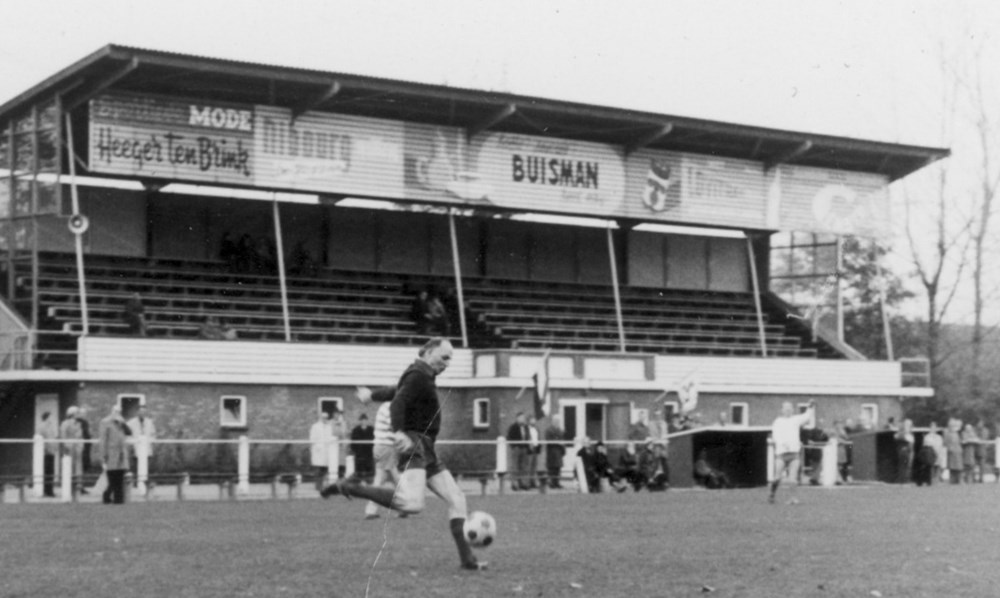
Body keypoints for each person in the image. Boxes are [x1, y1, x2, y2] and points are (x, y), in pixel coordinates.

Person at [321, 338, 485, 571]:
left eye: (450, 359)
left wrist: (372, 395)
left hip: (426, 447)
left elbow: (394, 392)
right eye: (444, 356)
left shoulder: (420, 374)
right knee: (412, 504)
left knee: (458, 499)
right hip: (415, 444)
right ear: (428, 352)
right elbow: (398, 402)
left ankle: (468, 561)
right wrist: (398, 431)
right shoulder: (419, 374)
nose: (447, 363)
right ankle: (350, 486)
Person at [362, 399, 405, 520]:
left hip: (382, 447)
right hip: (387, 447)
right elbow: (394, 425)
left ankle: (403, 507)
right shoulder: (391, 407)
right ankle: (404, 506)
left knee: (389, 478)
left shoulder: (385, 406)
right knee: (388, 478)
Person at [768, 400, 815, 505]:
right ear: (782, 410)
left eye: (790, 408)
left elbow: (807, 416)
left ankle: (792, 498)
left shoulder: (796, 419)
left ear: (793, 410)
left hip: (794, 454)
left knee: (792, 478)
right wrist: (783, 444)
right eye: (786, 408)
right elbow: (776, 435)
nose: (788, 410)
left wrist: (810, 406)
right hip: (781, 454)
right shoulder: (778, 421)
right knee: (777, 478)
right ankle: (772, 493)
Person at [99, 405, 132, 504]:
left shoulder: (122, 422)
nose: (118, 413)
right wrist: (103, 455)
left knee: (120, 477)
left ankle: (119, 499)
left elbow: (129, 432)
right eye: (116, 411)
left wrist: (123, 423)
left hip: (121, 454)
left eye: (119, 411)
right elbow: (103, 440)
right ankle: (106, 496)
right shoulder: (105, 422)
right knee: (112, 478)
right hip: (111, 453)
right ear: (112, 411)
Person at [126, 404, 156, 489]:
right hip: (136, 449)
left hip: (147, 449)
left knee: (147, 467)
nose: (142, 413)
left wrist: (151, 442)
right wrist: (132, 443)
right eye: (140, 411)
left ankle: (145, 485)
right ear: (137, 412)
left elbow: (153, 434)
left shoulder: (149, 422)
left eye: (144, 412)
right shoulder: (131, 423)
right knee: (136, 467)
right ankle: (137, 484)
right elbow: (127, 435)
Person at [59, 406, 85, 493]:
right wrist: (67, 446)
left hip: (77, 449)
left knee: (78, 467)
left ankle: (78, 486)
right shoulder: (65, 424)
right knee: (69, 467)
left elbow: (80, 436)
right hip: (69, 449)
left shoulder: (78, 424)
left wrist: (80, 446)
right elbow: (63, 436)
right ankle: (69, 486)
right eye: (76, 413)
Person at [506, 412, 532, 491]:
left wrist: (528, 447)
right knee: (515, 466)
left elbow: (528, 437)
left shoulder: (526, 427)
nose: (523, 419)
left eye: (523, 418)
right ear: (517, 418)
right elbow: (509, 437)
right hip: (517, 448)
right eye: (521, 418)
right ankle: (515, 484)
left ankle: (523, 483)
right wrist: (514, 446)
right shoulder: (513, 427)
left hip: (524, 448)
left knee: (524, 467)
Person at [309, 411, 333, 492]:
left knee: (324, 471)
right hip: (318, 452)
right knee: (318, 471)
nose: (325, 419)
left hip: (326, 453)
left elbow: (331, 438)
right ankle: (318, 487)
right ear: (320, 418)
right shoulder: (315, 426)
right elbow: (312, 439)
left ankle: (323, 487)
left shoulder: (329, 426)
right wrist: (318, 446)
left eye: (326, 418)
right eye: (323, 417)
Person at [544, 415, 567, 489]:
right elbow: (548, 440)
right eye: (556, 421)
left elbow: (562, 438)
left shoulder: (560, 430)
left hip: (559, 452)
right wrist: (557, 441)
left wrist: (563, 448)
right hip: (552, 452)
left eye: (558, 421)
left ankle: (557, 482)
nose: (557, 423)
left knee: (558, 468)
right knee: (552, 468)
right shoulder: (549, 430)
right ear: (553, 421)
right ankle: (552, 483)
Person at [38, 411, 58, 497]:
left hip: (51, 452)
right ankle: (47, 490)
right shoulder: (42, 426)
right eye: (50, 417)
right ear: (47, 417)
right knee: (47, 472)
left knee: (51, 472)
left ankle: (50, 490)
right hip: (46, 452)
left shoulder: (50, 427)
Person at [350, 413, 375, 480]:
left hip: (369, 455)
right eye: (362, 420)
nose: (364, 422)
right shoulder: (356, 430)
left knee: (369, 474)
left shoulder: (371, 430)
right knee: (359, 473)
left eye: (365, 420)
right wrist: (356, 451)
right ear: (360, 421)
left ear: (367, 421)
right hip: (359, 456)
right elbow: (353, 443)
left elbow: (374, 441)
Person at [894, 419, 915, 484]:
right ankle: (902, 480)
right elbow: (895, 436)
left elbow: (911, 447)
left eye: (909, 425)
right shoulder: (901, 434)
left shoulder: (910, 436)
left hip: (908, 452)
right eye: (906, 425)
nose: (907, 427)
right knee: (903, 466)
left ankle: (906, 480)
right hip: (903, 453)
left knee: (908, 466)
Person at [944, 418, 964, 484]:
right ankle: (952, 481)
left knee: (959, 467)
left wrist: (960, 449)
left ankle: (959, 481)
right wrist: (950, 448)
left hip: (958, 452)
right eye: (951, 425)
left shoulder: (957, 433)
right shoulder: (947, 433)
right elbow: (946, 443)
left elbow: (959, 442)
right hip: (952, 453)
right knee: (952, 468)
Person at [526, 415, 542, 490]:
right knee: (529, 466)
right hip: (530, 450)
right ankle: (528, 483)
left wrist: (539, 446)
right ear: (529, 421)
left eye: (534, 420)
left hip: (536, 448)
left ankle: (533, 482)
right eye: (532, 420)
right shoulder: (527, 429)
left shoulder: (536, 428)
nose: (534, 421)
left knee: (534, 466)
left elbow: (538, 438)